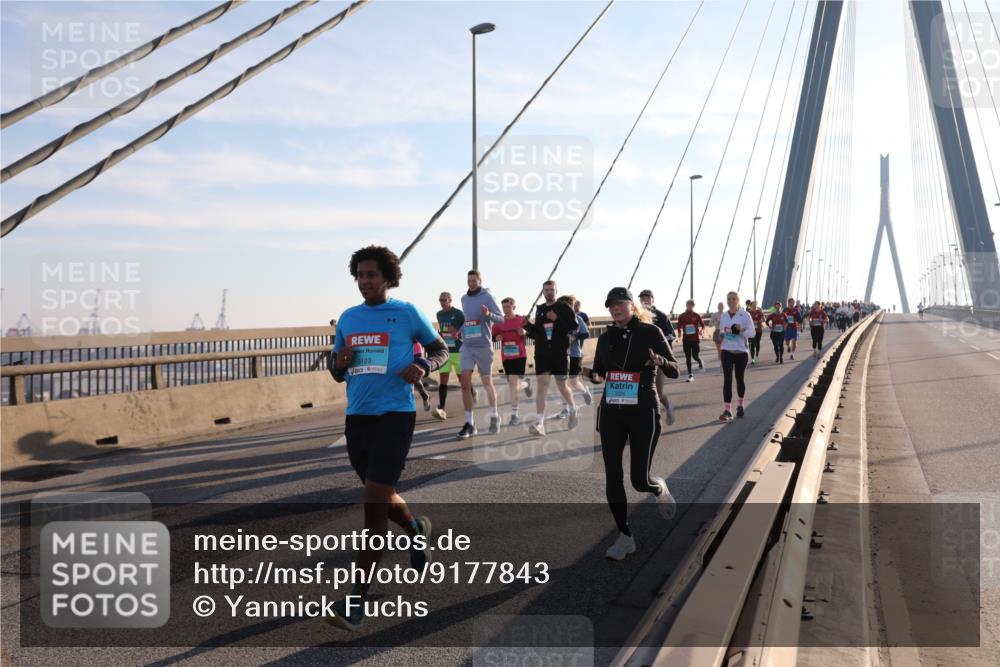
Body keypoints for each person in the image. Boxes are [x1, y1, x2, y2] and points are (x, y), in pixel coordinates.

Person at [326, 246, 448, 632]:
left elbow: (441, 348)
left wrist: (422, 365)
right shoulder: (347, 318)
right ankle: (416, 531)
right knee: (379, 492)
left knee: (373, 504)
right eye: (360, 276)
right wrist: (338, 363)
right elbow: (335, 369)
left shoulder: (407, 312)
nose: (365, 282)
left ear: (388, 278)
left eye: (371, 275)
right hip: (357, 418)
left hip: (395, 416)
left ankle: (356, 600)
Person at [583, 287, 679, 560]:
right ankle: (625, 536)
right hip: (612, 412)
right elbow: (601, 375)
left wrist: (658, 359)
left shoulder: (651, 332)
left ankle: (658, 488)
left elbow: (674, 369)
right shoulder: (607, 337)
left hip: (643, 411)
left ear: (631, 305)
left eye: (620, 304)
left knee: (639, 480)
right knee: (612, 475)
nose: (615, 309)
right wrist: (588, 373)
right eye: (611, 306)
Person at [524, 280, 579, 435]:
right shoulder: (540, 309)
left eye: (551, 289)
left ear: (556, 291)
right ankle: (540, 423)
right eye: (546, 290)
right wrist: (527, 325)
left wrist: (557, 319)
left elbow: (574, 327)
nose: (549, 292)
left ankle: (573, 408)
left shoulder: (564, 308)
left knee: (562, 387)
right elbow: (537, 333)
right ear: (542, 292)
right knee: (542, 387)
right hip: (542, 354)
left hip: (560, 353)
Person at [456, 270, 504, 439]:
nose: (471, 283)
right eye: (469, 280)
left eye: (474, 280)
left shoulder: (487, 297)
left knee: (487, 383)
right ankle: (470, 423)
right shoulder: (464, 299)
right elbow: (468, 319)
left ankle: (494, 415)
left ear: (480, 281)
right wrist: (460, 331)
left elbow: (501, 319)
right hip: (467, 345)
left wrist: (488, 315)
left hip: (483, 345)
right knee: (464, 384)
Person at [638, 289, 677, 425]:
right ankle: (647, 422)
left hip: (659, 360)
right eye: (642, 298)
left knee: (658, 394)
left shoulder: (660, 316)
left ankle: (668, 407)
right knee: (637, 394)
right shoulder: (636, 316)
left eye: (647, 297)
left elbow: (672, 335)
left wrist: (657, 340)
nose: (644, 300)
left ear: (653, 300)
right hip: (641, 360)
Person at [492, 297, 532, 426]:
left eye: (508, 307)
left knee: (513, 385)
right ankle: (526, 384)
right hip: (506, 357)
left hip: (519, 356)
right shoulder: (499, 322)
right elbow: (493, 337)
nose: (506, 310)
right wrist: (496, 337)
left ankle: (515, 415)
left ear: (514, 307)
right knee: (513, 386)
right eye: (504, 307)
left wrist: (525, 332)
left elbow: (532, 333)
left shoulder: (521, 320)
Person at [718, 291, 755, 422]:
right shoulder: (723, 316)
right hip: (727, 350)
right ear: (727, 301)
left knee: (740, 379)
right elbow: (723, 330)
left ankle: (740, 404)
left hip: (741, 351)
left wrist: (741, 330)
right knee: (727, 379)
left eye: (734, 299)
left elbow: (752, 333)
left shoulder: (745, 315)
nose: (731, 301)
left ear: (738, 301)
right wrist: (722, 334)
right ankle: (727, 410)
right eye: (729, 299)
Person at [433, 292, 464, 420]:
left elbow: (465, 327)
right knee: (443, 380)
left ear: (450, 300)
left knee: (463, 380)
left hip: (458, 351)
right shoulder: (439, 314)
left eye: (444, 300)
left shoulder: (458, 313)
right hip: (446, 352)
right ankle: (442, 408)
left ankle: (472, 395)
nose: (442, 302)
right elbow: (442, 329)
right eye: (440, 299)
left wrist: (458, 333)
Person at [561, 294, 593, 412]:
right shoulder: (556, 320)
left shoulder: (577, 318)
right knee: (562, 383)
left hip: (575, 354)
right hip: (561, 355)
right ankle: (566, 408)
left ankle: (584, 391)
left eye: (568, 306)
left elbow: (586, 333)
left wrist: (575, 336)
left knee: (573, 383)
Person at [676, 299, 705, 381]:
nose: (689, 307)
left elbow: (703, 326)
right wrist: (679, 332)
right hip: (686, 339)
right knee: (688, 357)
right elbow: (678, 326)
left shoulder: (696, 315)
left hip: (695, 339)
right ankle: (690, 374)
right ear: (686, 305)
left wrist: (701, 331)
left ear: (693, 306)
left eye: (691, 305)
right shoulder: (682, 316)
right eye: (688, 305)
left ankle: (700, 362)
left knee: (695, 356)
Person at [412, 342, 431, 411]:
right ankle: (425, 395)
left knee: (413, 375)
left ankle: (424, 396)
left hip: (415, 350)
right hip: (400, 349)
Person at [748, 300, 764, 365]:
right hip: (751, 331)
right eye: (753, 305)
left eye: (755, 305)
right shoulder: (748, 313)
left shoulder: (759, 312)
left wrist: (760, 321)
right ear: (750, 306)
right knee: (752, 345)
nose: (754, 306)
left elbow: (764, 319)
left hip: (758, 330)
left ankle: (756, 355)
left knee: (757, 343)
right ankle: (752, 359)